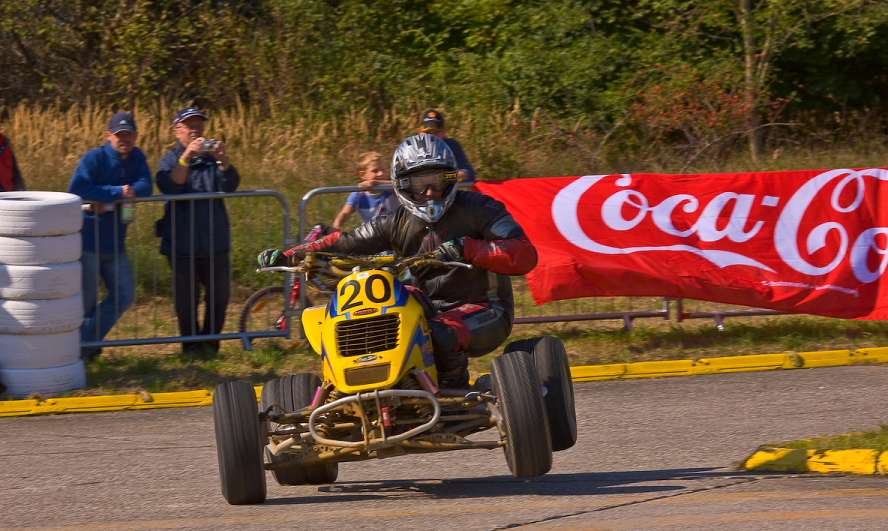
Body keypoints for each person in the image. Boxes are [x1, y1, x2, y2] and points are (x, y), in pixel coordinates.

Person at [259, 134, 537, 389]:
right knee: (377, 315)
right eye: (419, 183)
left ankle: (455, 391)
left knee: (441, 333)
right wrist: (291, 253)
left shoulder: (481, 207)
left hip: (485, 309)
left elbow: (524, 254)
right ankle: (359, 386)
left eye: (437, 181)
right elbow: (343, 241)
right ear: (403, 185)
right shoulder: (394, 222)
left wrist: (468, 248)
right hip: (426, 308)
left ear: (450, 179)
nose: (429, 192)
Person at [156, 107, 240, 355]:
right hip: (182, 243)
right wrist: (187, 157)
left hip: (215, 241)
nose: (196, 130)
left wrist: (224, 160)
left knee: (219, 296)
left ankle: (210, 345)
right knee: (186, 301)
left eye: (199, 126)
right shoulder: (171, 159)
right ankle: (191, 349)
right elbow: (170, 185)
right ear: (177, 132)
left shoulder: (212, 158)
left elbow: (231, 185)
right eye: (189, 126)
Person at [69, 112, 152, 360]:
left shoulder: (138, 158)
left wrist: (118, 196)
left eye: (128, 135)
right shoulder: (94, 158)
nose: (124, 139)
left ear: (136, 136)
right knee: (87, 303)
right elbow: (77, 188)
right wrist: (117, 192)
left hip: (116, 245)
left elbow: (146, 186)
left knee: (124, 296)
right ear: (109, 136)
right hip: (88, 243)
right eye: (119, 135)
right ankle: (83, 353)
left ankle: (84, 344)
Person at [332, 151, 398, 229]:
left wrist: (375, 182)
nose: (380, 174)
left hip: (395, 233)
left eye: (383, 170)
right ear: (363, 175)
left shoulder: (390, 185)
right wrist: (335, 227)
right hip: (372, 236)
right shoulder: (359, 194)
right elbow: (345, 213)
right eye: (375, 171)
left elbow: (398, 184)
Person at [419, 109, 476, 182]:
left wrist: (446, 177)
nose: (431, 137)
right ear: (419, 131)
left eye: (436, 132)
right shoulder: (409, 148)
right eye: (427, 132)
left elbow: (469, 174)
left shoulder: (452, 145)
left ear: (444, 131)